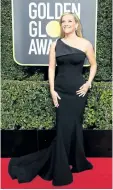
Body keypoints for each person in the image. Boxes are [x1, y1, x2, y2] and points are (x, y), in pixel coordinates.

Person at [8, 12, 97, 186]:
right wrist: (52, 91)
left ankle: (78, 161)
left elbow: (93, 65)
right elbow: (50, 69)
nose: (66, 24)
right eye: (63, 22)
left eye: (69, 21)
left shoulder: (85, 44)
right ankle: (61, 169)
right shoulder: (55, 44)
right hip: (61, 92)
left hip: (79, 92)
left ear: (76, 24)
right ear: (61, 25)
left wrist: (88, 84)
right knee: (63, 129)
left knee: (75, 126)